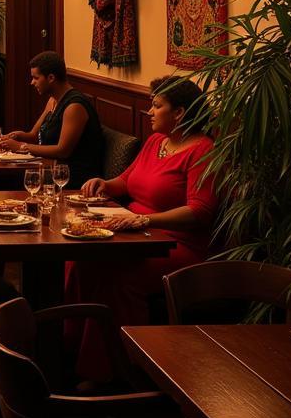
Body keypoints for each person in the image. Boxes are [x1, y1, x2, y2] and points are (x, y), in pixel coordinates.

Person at [65, 76, 218, 381]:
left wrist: (147, 220)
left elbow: (200, 211)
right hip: (132, 232)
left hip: (177, 244)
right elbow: (127, 181)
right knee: (77, 259)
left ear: (180, 113)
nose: (149, 111)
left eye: (157, 105)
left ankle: (112, 373)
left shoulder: (202, 150)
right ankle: (69, 351)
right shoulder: (155, 142)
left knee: (117, 276)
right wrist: (104, 184)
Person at [1, 50, 104, 186]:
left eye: (36, 78)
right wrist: (19, 136)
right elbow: (34, 135)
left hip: (72, 176)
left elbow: (62, 151)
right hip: (51, 166)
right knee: (8, 173)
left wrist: (21, 147)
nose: (32, 82)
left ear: (51, 78)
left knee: (12, 179)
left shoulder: (74, 106)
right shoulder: (52, 101)